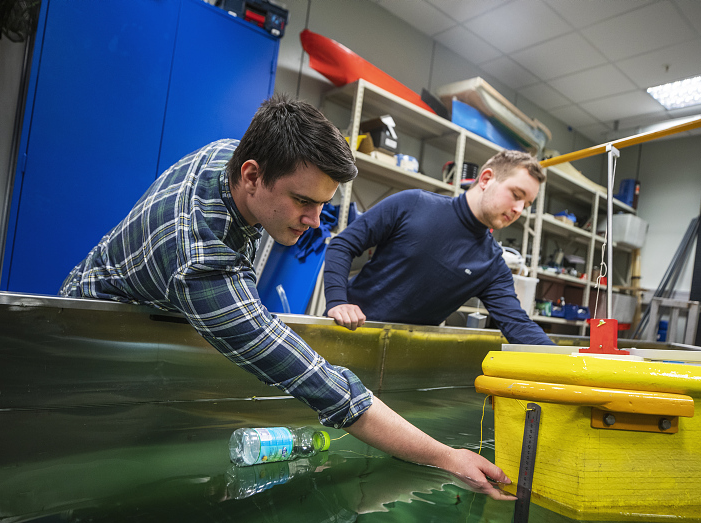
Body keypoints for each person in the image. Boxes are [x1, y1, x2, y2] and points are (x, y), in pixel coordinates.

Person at [58, 94, 512, 500]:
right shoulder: (203, 262)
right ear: (252, 175)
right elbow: (323, 386)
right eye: (302, 201)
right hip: (86, 345)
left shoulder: (228, 156)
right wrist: (446, 457)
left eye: (323, 204)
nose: (315, 221)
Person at [323, 150, 554, 346]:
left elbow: (518, 325)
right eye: (516, 195)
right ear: (485, 179)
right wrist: (338, 302)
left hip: (400, 353)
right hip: (345, 333)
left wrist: (568, 360)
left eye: (526, 204)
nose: (519, 209)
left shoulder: (492, 265)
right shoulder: (413, 204)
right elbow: (343, 244)